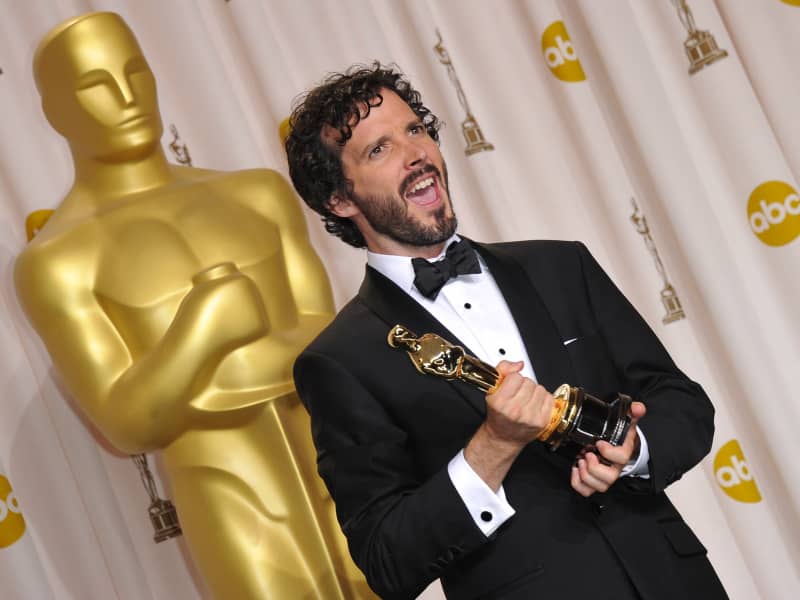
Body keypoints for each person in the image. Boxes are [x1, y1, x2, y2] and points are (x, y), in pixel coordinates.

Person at [286, 63, 728, 600]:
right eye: (378, 150)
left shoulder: (561, 266)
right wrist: (492, 446)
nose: (415, 153)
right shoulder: (340, 361)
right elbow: (387, 559)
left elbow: (682, 402)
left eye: (415, 129)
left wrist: (633, 449)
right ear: (339, 199)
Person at [15, 12, 375, 599]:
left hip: (341, 460)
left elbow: (330, 342)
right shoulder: (59, 260)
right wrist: (201, 331)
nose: (127, 97)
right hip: (226, 492)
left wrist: (201, 378)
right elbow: (125, 423)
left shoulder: (255, 194)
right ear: (55, 112)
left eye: (137, 74)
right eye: (95, 85)